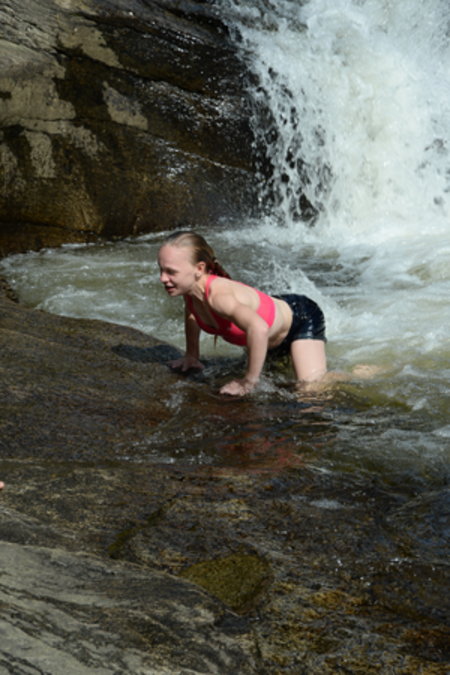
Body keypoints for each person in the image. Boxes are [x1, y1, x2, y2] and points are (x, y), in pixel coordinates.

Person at [158, 230, 328, 396]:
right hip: (271, 335)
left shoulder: (219, 297)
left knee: (311, 391)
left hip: (299, 320)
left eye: (171, 272)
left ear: (199, 268)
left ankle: (345, 375)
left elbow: (259, 327)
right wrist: (191, 355)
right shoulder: (190, 292)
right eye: (161, 270)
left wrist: (248, 381)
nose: (163, 278)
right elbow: (192, 314)